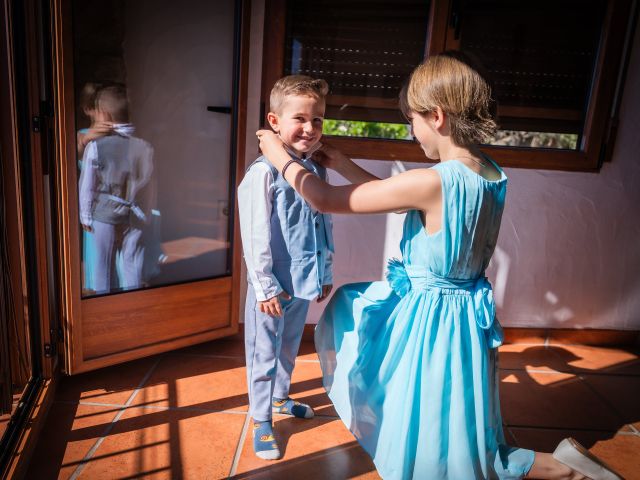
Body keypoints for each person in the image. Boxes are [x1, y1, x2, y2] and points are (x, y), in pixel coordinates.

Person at [256, 54, 622, 480]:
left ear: (437, 116)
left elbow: (324, 199)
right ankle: (564, 469)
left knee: (427, 422)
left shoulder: (433, 181)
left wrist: (278, 155)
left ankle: (559, 471)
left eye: (412, 120)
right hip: (467, 317)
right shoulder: (488, 171)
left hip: (432, 321)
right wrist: (339, 163)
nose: (412, 132)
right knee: (460, 426)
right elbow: (393, 195)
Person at [237, 75, 335, 460]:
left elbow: (324, 224)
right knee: (264, 349)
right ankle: (260, 418)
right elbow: (255, 233)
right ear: (274, 122)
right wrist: (264, 286)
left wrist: (324, 272)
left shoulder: (316, 174)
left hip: (303, 280)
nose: (310, 129)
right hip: (273, 285)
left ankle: (279, 398)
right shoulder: (263, 173)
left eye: (318, 121)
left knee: (289, 345)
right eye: (300, 119)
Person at [78, 84, 154, 294]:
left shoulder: (96, 146)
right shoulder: (145, 146)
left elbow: (87, 185)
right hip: (135, 214)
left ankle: (105, 303)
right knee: (132, 263)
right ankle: (134, 303)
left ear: (104, 114)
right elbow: (150, 185)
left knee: (103, 263)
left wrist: (85, 215)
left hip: (104, 214)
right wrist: (146, 212)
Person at [77, 82, 112, 293]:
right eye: (101, 108)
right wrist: (90, 137)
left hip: (115, 208)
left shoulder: (116, 136)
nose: (107, 113)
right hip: (94, 208)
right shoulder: (82, 135)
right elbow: (78, 147)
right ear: (88, 110)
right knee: (98, 259)